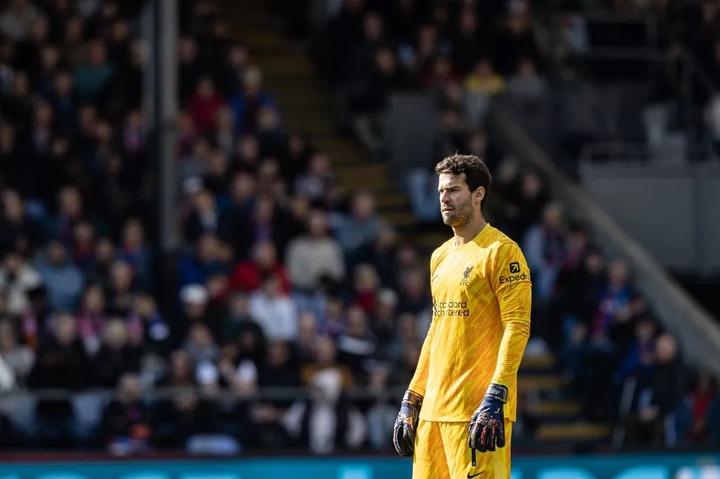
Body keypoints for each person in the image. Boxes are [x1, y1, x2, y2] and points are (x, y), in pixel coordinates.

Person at [392, 154, 532, 479]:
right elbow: (437, 330)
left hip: (478, 411)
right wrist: (412, 397)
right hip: (433, 413)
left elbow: (517, 325)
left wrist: (497, 394)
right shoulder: (439, 257)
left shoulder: (502, 252)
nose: (444, 198)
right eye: (441, 191)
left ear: (478, 194)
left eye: (453, 190)